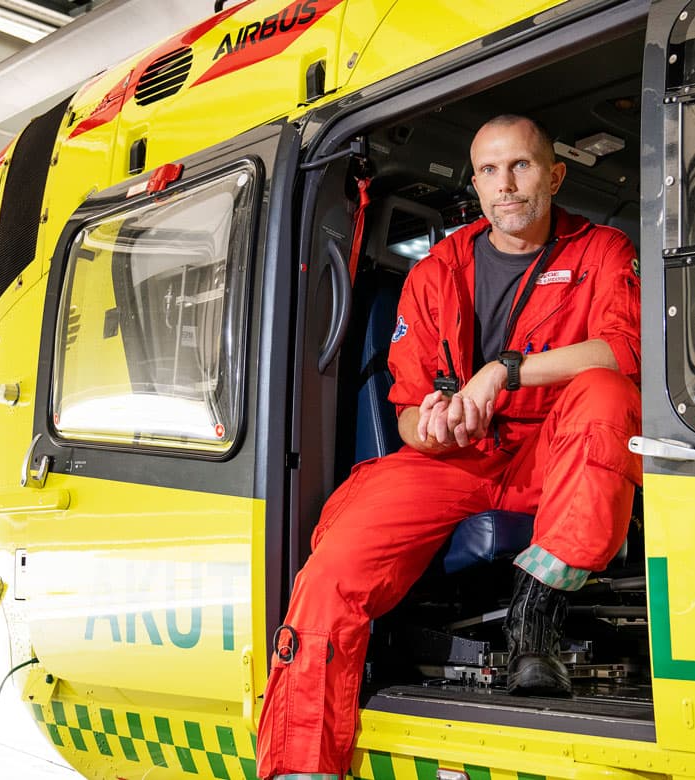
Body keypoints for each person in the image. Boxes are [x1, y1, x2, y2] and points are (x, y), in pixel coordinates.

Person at [256, 114, 642, 778]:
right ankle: (302, 767)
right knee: (331, 573)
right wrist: (432, 423)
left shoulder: (603, 250)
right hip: (456, 459)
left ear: (553, 176)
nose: (506, 185)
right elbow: (406, 413)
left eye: (521, 166)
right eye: (489, 171)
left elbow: (627, 351)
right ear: (476, 183)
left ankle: (536, 618)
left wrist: (505, 371)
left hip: (555, 452)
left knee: (608, 393)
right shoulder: (437, 270)